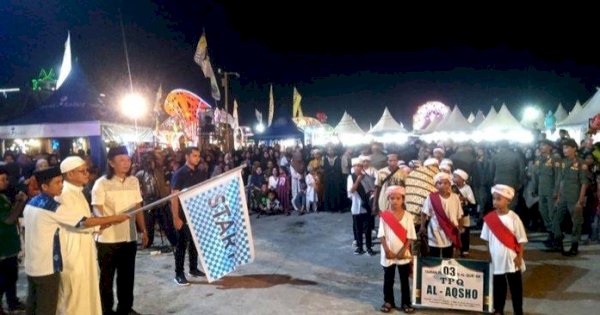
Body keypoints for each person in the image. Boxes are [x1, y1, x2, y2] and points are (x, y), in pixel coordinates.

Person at [24, 167, 129, 315]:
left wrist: (100, 224)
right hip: (47, 266)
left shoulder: (32, 203)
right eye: (57, 183)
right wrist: (115, 218)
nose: (61, 185)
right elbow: (83, 222)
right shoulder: (52, 207)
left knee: (33, 305)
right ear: (44, 186)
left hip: (32, 265)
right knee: (46, 307)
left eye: (61, 181)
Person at [92, 146, 148, 315]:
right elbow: (97, 209)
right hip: (107, 239)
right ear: (111, 162)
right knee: (107, 278)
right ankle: (106, 309)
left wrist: (143, 230)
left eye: (128, 160)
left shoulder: (133, 181)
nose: (126, 163)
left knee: (127, 276)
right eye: (121, 160)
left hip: (128, 236)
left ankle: (125, 308)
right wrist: (102, 223)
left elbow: (137, 206)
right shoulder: (101, 183)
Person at [57, 156, 106, 315]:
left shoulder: (78, 192)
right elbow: (80, 223)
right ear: (70, 174)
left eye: (87, 170)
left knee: (87, 291)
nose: (87, 174)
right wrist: (104, 222)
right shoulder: (63, 194)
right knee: (74, 296)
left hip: (85, 249)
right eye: (83, 171)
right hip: (72, 251)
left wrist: (100, 224)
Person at [480, 184, 527, 315]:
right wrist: (489, 255)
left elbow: (521, 239)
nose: (495, 202)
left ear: (508, 200)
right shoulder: (489, 219)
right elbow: (487, 240)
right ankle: (498, 309)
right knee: (498, 286)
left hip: (512, 259)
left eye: (499, 199)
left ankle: (518, 310)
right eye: (494, 199)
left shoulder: (514, 218)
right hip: (496, 260)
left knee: (516, 287)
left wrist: (519, 256)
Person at [170, 147, 208, 286]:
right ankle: (178, 274)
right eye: (194, 156)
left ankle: (193, 268)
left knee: (194, 243)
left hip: (196, 212)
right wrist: (176, 217)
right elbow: (174, 196)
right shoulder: (179, 174)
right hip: (182, 214)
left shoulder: (201, 172)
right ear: (187, 157)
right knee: (181, 244)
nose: (197, 158)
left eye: (198, 156)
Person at [378, 186, 416, 314]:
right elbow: (381, 235)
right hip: (388, 253)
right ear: (388, 199)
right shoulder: (384, 216)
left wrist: (402, 251)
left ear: (403, 200)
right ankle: (388, 301)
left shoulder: (408, 216)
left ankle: (406, 302)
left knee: (404, 280)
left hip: (403, 253)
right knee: (388, 278)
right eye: (392, 198)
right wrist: (387, 251)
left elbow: (410, 237)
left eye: (398, 198)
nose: (395, 201)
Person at [551, 138, 589, 256]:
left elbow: (584, 182)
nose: (564, 150)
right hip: (563, 197)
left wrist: (581, 200)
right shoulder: (563, 162)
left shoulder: (581, 163)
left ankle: (574, 246)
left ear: (574, 148)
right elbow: (559, 180)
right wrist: (557, 195)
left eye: (567, 147)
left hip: (574, 198)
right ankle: (558, 242)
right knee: (556, 220)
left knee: (576, 223)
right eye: (563, 148)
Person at [0, 168, 27, 314]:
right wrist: (20, 202)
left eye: (6, 179)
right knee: (3, 278)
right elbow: (9, 219)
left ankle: (13, 302)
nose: (5, 182)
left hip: (10, 244)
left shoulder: (4, 196)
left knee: (12, 276)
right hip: (3, 245)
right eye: (2, 179)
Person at [419, 172, 463, 258]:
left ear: (450, 184)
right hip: (435, 231)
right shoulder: (431, 197)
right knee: (434, 254)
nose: (443, 185)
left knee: (448, 254)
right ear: (435, 185)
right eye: (440, 183)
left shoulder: (455, 197)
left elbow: (459, 214)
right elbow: (424, 213)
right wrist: (422, 226)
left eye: (446, 183)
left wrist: (460, 227)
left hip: (451, 230)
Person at [348, 158, 375, 256]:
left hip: (366, 206)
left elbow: (372, 190)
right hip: (356, 207)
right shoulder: (351, 177)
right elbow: (351, 190)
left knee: (368, 229)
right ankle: (360, 247)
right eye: (356, 166)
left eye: (360, 166)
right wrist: (358, 180)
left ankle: (369, 247)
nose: (358, 168)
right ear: (353, 167)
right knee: (358, 228)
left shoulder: (367, 177)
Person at [453, 169, 476, 257]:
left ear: (462, 179)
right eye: (454, 176)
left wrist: (464, 199)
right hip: (454, 213)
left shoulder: (467, 188)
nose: (454, 178)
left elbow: (472, 201)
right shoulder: (452, 187)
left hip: (464, 213)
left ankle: (464, 249)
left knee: (464, 232)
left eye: (456, 177)